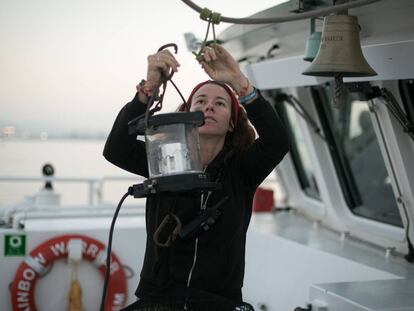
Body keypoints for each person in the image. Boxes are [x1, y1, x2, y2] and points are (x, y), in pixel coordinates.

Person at [103, 44, 290, 310]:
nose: (209, 107)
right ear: (187, 116)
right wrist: (149, 89)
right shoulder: (163, 160)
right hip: (158, 299)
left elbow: (277, 141)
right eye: (200, 102)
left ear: (232, 122)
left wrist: (239, 82)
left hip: (219, 302)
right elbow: (116, 148)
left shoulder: (243, 169)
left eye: (220, 103)